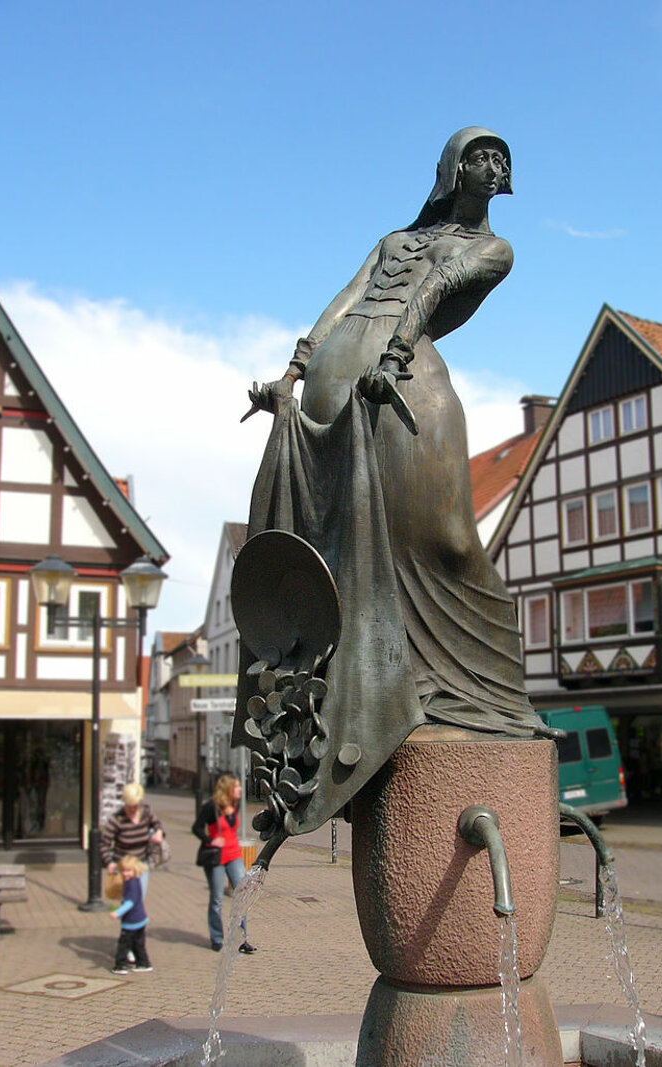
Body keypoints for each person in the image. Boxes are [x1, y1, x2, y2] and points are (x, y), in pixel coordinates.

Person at [235, 127, 545, 837]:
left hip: (397, 372)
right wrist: (293, 371)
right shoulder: (390, 239)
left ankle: (471, 690)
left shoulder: (495, 249)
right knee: (363, 540)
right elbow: (344, 297)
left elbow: (439, 288)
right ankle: (387, 687)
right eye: (481, 153)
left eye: (503, 159)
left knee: (444, 536)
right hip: (345, 373)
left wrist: (397, 354)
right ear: (452, 167)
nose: (494, 165)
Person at [192, 773, 256, 954]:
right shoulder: (211, 807)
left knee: (241, 895)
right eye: (236, 787)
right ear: (228, 789)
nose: (240, 790)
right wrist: (209, 840)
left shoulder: (234, 806)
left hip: (234, 855)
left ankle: (242, 939)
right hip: (216, 858)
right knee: (217, 899)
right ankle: (216, 938)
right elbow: (196, 827)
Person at [101, 782, 164, 899]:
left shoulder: (146, 812)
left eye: (135, 805)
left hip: (141, 864)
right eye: (129, 806)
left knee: (139, 900)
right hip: (125, 867)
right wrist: (109, 862)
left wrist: (159, 832)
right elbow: (104, 844)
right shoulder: (117, 819)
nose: (132, 809)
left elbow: (157, 824)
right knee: (128, 900)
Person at [108, 854, 152, 974]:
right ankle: (143, 963)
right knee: (138, 943)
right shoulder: (135, 880)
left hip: (131, 920)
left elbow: (129, 903)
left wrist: (117, 912)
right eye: (123, 871)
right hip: (140, 918)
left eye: (128, 871)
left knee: (124, 944)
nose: (125, 873)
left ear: (135, 870)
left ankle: (121, 965)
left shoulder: (131, 884)